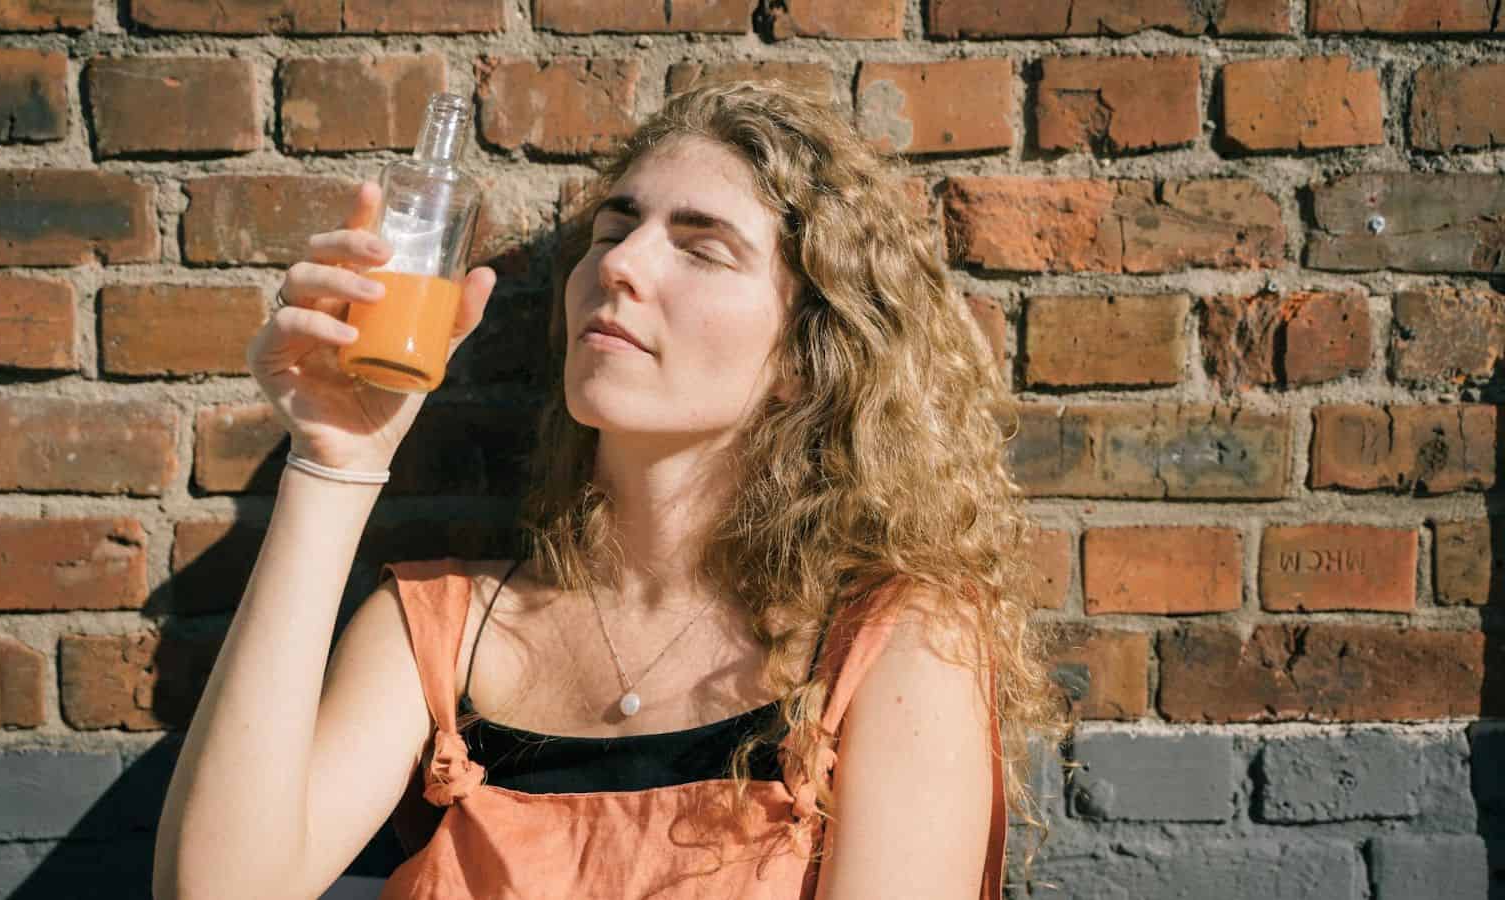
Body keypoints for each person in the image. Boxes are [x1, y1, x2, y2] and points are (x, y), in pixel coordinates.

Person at [153, 82, 1059, 900]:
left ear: (803, 356)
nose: (621, 266)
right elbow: (219, 891)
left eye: (702, 248)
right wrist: (337, 459)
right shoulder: (437, 633)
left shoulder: (890, 644)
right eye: (613, 230)